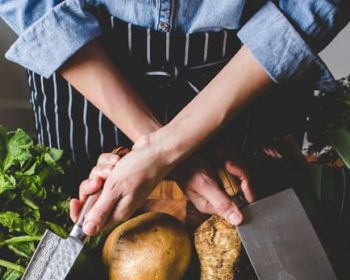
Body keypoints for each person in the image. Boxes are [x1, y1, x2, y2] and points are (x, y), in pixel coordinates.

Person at [1, 1, 349, 235]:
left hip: (247, 64)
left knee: (241, 229)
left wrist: (164, 149)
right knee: (86, 225)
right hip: (82, 59)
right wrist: (161, 148)